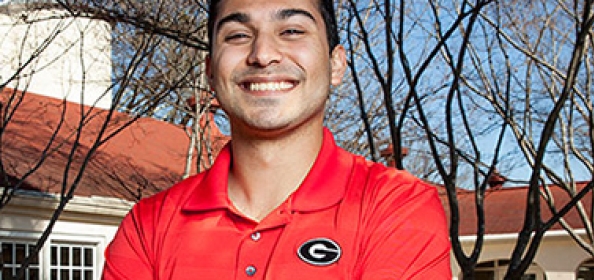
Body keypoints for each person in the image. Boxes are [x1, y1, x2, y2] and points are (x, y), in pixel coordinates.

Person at [102, 0, 452, 279]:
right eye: (238, 35)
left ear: (336, 65)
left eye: (292, 30)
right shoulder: (147, 227)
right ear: (210, 71)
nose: (263, 54)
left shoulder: (397, 208)